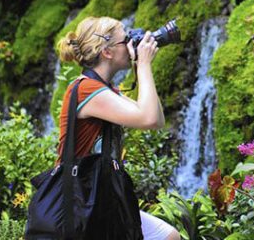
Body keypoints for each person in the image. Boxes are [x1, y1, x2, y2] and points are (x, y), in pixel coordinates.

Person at [57, 16, 181, 240]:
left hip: (100, 195)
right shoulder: (87, 90)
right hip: (81, 199)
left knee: (168, 236)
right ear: (107, 51)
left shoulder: (104, 90)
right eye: (126, 40)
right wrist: (143, 65)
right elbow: (150, 118)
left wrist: (142, 66)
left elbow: (157, 119)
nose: (132, 44)